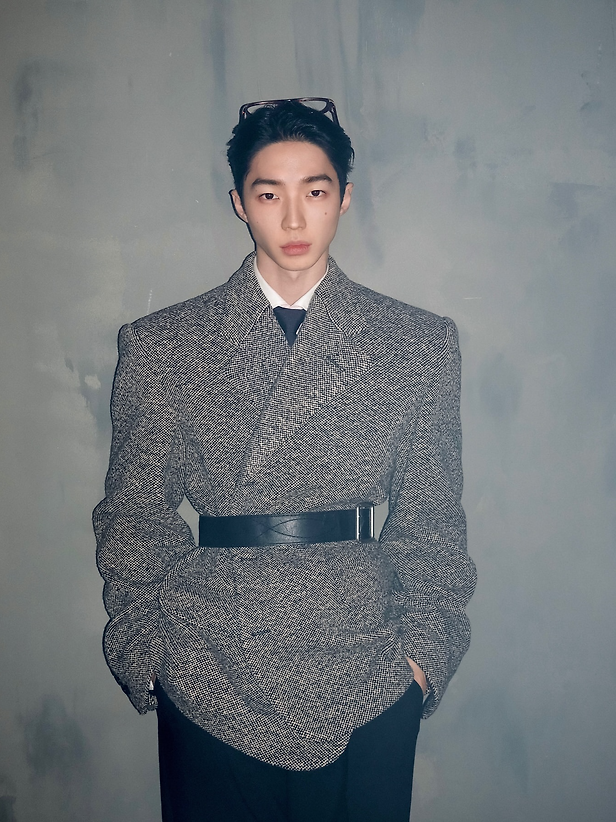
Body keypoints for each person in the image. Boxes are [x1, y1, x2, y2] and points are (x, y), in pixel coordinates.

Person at [93, 98, 476, 822]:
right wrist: (153, 652)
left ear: (344, 198)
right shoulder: (163, 345)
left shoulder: (416, 343)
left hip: (369, 664)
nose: (295, 220)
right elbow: (133, 514)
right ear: (240, 203)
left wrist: (422, 657)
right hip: (208, 662)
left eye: (316, 191)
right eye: (270, 195)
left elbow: (432, 518)